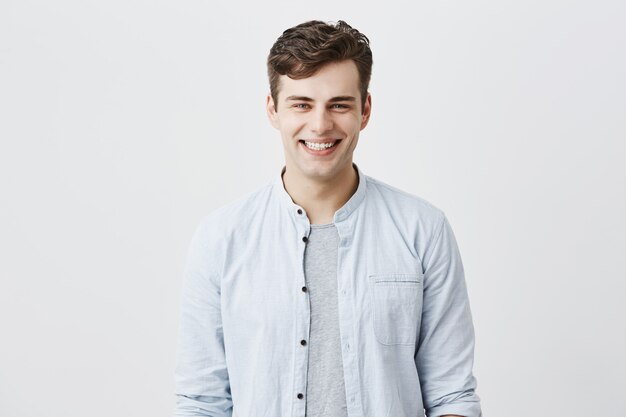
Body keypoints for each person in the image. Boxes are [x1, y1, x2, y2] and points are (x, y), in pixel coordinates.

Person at [174, 20, 482, 417]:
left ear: (365, 110)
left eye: (339, 104)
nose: (320, 124)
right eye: (301, 104)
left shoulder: (423, 230)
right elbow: (202, 402)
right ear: (273, 110)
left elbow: (450, 395)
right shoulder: (220, 238)